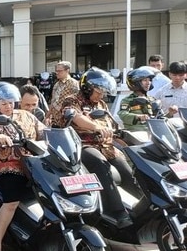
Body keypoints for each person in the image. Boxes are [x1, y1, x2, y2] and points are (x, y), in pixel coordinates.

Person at [60, 67, 142, 227]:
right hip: (82, 145)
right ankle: (117, 213)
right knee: (101, 165)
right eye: (98, 91)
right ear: (87, 88)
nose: (101, 95)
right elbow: (76, 118)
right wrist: (96, 127)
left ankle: (140, 210)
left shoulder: (102, 104)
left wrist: (129, 141)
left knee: (127, 170)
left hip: (106, 146)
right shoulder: (71, 100)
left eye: (103, 92)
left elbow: (112, 125)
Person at [0, 82, 46, 251]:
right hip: (7, 164)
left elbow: (44, 131)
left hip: (33, 163)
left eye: (11, 102)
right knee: (11, 202)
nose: (8, 107)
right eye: (4, 103)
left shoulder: (26, 115)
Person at [117, 66, 157, 131]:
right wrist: (137, 116)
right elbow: (122, 114)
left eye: (149, 80)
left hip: (151, 133)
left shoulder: (152, 100)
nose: (148, 83)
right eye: (145, 80)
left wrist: (170, 113)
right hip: (135, 134)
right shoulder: (128, 100)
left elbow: (160, 117)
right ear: (136, 82)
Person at [47, 61, 79, 128]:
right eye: (56, 71)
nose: (57, 73)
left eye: (60, 71)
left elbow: (77, 103)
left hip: (67, 122)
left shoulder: (74, 84)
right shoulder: (56, 85)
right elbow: (53, 102)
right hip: (55, 121)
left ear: (67, 71)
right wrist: (47, 117)